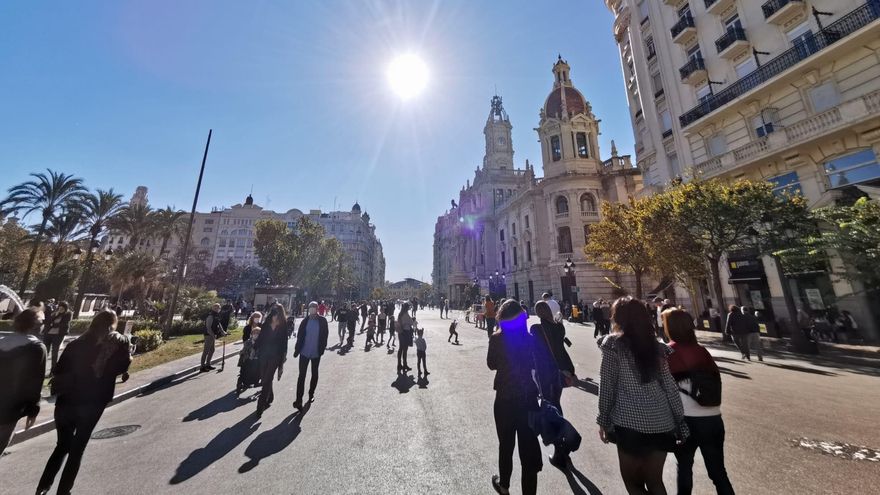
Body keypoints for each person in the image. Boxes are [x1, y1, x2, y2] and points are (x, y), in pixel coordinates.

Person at [597, 297, 688, 495]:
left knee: (633, 484)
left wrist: (603, 419)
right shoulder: (656, 347)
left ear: (618, 318)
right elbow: (670, 388)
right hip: (662, 422)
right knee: (655, 481)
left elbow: (607, 385)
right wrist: (679, 422)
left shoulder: (614, 345)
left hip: (629, 425)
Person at [36, 310, 131, 495]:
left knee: (62, 445)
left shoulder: (76, 344)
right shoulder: (117, 343)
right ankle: (64, 491)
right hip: (93, 402)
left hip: (66, 401)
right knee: (77, 448)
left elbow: (58, 369)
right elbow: (121, 367)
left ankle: (42, 487)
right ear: (112, 324)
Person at [664, 309, 735, 495]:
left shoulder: (668, 352)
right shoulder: (702, 352)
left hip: (685, 419)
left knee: (685, 468)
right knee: (719, 473)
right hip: (712, 418)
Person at [488, 300, 543, 495]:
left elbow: (491, 364)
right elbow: (538, 365)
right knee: (528, 449)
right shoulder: (530, 339)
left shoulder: (496, 339)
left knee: (506, 445)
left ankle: (504, 486)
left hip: (504, 398)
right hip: (527, 397)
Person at [531, 301, 576, 469]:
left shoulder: (536, 329)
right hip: (561, 372)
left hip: (546, 374)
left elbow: (536, 355)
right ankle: (563, 446)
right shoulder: (558, 327)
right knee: (556, 404)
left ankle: (561, 450)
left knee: (551, 410)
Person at [0, 309, 46, 454]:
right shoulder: (37, 348)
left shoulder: (2, 342)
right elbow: (35, 383)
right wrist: (33, 410)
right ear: (36, 326)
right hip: (10, 408)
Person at [293, 302, 329, 410]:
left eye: (314, 307)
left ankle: (311, 393)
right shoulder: (305, 321)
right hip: (304, 352)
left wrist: (322, 349)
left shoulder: (322, 321)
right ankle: (298, 400)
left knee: (314, 373)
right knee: (301, 376)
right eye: (310, 307)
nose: (312, 309)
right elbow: (300, 336)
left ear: (317, 309)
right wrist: (296, 350)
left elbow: (325, 336)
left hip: (316, 353)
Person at [254, 305, 288, 416]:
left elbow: (284, 343)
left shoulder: (283, 327)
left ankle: (260, 405)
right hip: (264, 355)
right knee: (265, 378)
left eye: (278, 315)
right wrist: (254, 348)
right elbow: (260, 339)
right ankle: (270, 396)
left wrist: (283, 357)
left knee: (267, 379)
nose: (276, 317)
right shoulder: (265, 326)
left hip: (275, 357)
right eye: (274, 315)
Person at [43, 301, 71, 376]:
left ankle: (53, 371)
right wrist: (56, 315)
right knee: (45, 351)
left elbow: (64, 324)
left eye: (62, 308)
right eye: (60, 307)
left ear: (65, 308)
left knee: (54, 352)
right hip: (48, 334)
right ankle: (41, 369)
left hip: (58, 335)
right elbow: (48, 321)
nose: (60, 309)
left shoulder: (68, 314)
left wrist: (53, 324)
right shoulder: (55, 313)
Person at [202, 303, 226, 372]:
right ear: (212, 308)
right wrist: (213, 335)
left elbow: (219, 324)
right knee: (206, 351)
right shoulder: (210, 316)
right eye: (215, 308)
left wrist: (223, 332)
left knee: (212, 350)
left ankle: (208, 364)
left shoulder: (216, 316)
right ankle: (202, 366)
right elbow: (208, 328)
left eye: (218, 308)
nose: (217, 309)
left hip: (212, 335)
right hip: (208, 335)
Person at [397, 303, 414, 373]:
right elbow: (411, 322)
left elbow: (399, 323)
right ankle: (405, 365)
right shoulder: (406, 314)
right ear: (406, 308)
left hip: (400, 333)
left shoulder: (400, 314)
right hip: (406, 333)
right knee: (405, 349)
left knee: (400, 348)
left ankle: (399, 364)